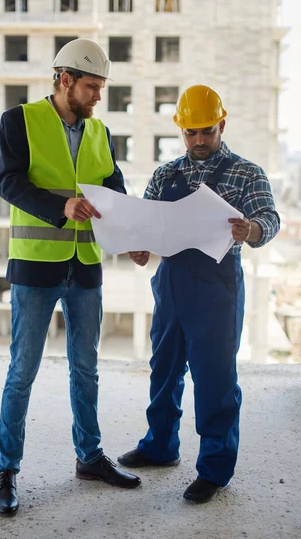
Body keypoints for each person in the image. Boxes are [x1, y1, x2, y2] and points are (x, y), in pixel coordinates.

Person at [0, 38, 141, 517]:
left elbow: (113, 191)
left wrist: (131, 235)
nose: (98, 96)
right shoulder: (20, 121)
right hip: (37, 267)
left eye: (101, 88)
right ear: (65, 80)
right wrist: (62, 206)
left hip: (87, 267)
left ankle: (90, 457)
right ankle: (7, 468)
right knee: (23, 372)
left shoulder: (100, 132)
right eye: (92, 87)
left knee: (86, 369)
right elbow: (9, 182)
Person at [118, 85, 280, 504]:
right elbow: (148, 224)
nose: (199, 140)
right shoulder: (165, 174)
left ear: (221, 125)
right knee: (164, 371)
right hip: (171, 285)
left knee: (215, 381)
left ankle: (214, 469)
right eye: (190, 133)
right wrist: (140, 247)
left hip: (217, 290)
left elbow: (269, 218)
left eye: (206, 131)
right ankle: (160, 446)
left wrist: (252, 229)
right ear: (181, 132)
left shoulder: (247, 173)